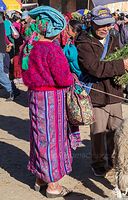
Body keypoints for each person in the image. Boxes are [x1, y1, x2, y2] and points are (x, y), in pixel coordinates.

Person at [76, 5, 128, 176]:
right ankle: (97, 163)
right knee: (97, 132)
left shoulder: (114, 37)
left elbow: (121, 59)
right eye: (100, 24)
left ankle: (114, 160)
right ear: (92, 23)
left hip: (114, 93)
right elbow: (94, 68)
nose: (105, 28)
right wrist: (121, 65)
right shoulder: (83, 42)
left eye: (108, 24)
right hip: (96, 95)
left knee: (116, 131)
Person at [21, 6, 76, 197]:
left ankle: (40, 177)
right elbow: (63, 78)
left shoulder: (29, 46)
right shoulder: (52, 49)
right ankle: (53, 185)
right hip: (51, 99)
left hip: (35, 97)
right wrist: (72, 79)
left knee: (39, 136)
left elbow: (24, 75)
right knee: (52, 139)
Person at [0, 11, 20, 101]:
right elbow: (4, 36)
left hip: (1, 50)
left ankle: (12, 90)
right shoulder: (2, 23)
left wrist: (8, 43)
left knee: (0, 73)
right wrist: (8, 43)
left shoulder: (2, 23)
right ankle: (13, 89)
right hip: (2, 50)